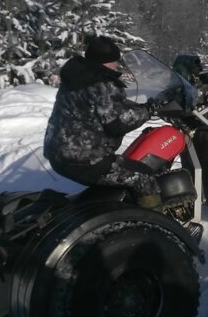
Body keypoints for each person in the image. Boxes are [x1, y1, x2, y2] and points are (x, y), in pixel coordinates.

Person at [43, 35, 165, 209]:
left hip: (59, 155)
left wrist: (137, 106)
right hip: (84, 160)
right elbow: (118, 123)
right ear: (106, 62)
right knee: (143, 176)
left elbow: (98, 107)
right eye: (114, 61)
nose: (117, 65)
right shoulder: (102, 83)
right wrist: (149, 110)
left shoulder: (78, 76)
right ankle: (155, 221)